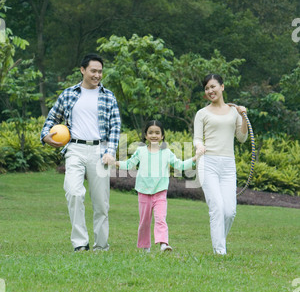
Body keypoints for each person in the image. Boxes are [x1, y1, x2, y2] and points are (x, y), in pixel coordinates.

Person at [41, 53, 121, 252]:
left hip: (99, 150)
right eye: (93, 71)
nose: (97, 75)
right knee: (74, 193)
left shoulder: (108, 96)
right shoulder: (68, 94)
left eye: (100, 71)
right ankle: (80, 243)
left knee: (101, 203)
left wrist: (110, 151)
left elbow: (115, 127)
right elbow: (51, 119)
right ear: (82, 70)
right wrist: (45, 136)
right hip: (74, 149)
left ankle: (101, 246)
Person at [115, 120, 202, 252]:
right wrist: (114, 162)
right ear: (145, 135)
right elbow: (128, 165)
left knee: (161, 218)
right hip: (143, 191)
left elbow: (180, 165)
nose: (154, 135)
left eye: (157, 133)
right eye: (150, 132)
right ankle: (145, 247)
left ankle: (163, 244)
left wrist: (195, 158)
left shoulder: (166, 153)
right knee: (144, 222)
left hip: (160, 192)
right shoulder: (140, 151)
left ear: (162, 136)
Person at [193, 74, 248, 256]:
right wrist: (199, 146)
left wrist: (244, 117)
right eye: (207, 88)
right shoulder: (202, 114)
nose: (210, 91)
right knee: (216, 206)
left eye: (213, 87)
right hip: (208, 162)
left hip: (228, 165)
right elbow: (197, 138)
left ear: (222, 87)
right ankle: (220, 252)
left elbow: (242, 138)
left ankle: (219, 243)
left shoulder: (234, 112)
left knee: (230, 211)